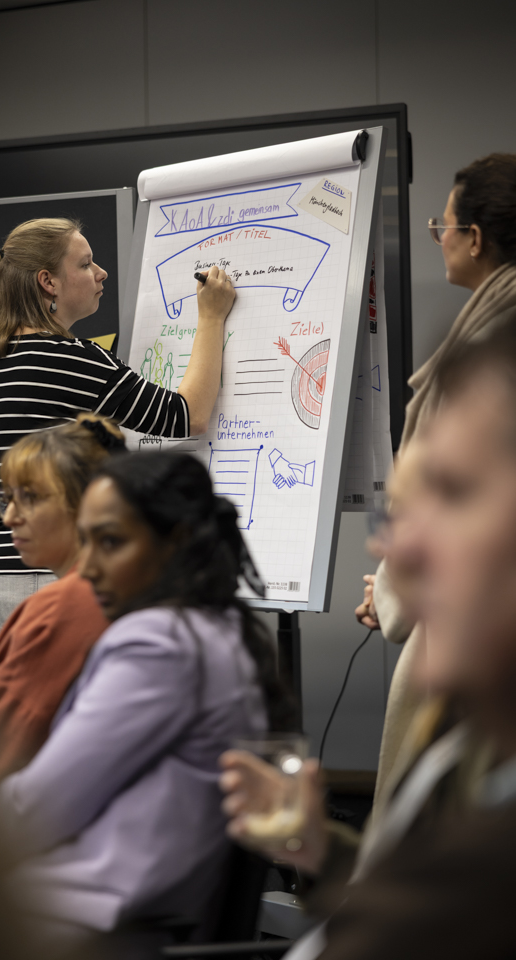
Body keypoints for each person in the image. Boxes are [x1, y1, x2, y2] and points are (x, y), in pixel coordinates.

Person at [221, 317, 516, 959]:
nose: (395, 547)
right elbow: (418, 898)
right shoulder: (468, 748)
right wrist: (320, 846)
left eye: (456, 493)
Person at [0, 452, 288, 955]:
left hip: (89, 929)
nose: (90, 566)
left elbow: (39, 806)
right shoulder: (217, 628)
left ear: (176, 543)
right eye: (85, 541)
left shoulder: (160, 644)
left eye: (112, 543)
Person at [0, 217, 235, 671]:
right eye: (85, 265)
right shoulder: (71, 358)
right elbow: (188, 415)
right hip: (34, 578)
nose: (101, 273)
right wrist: (211, 315)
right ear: (48, 282)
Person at [355, 153, 516, 802]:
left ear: (474, 238)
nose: (437, 238)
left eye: (439, 226)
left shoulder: (492, 353)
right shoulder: (485, 331)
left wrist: (398, 589)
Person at [0, 415, 125, 807]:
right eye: (7, 499)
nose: (9, 518)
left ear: (89, 504)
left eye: (33, 498)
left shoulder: (70, 606)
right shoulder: (102, 590)